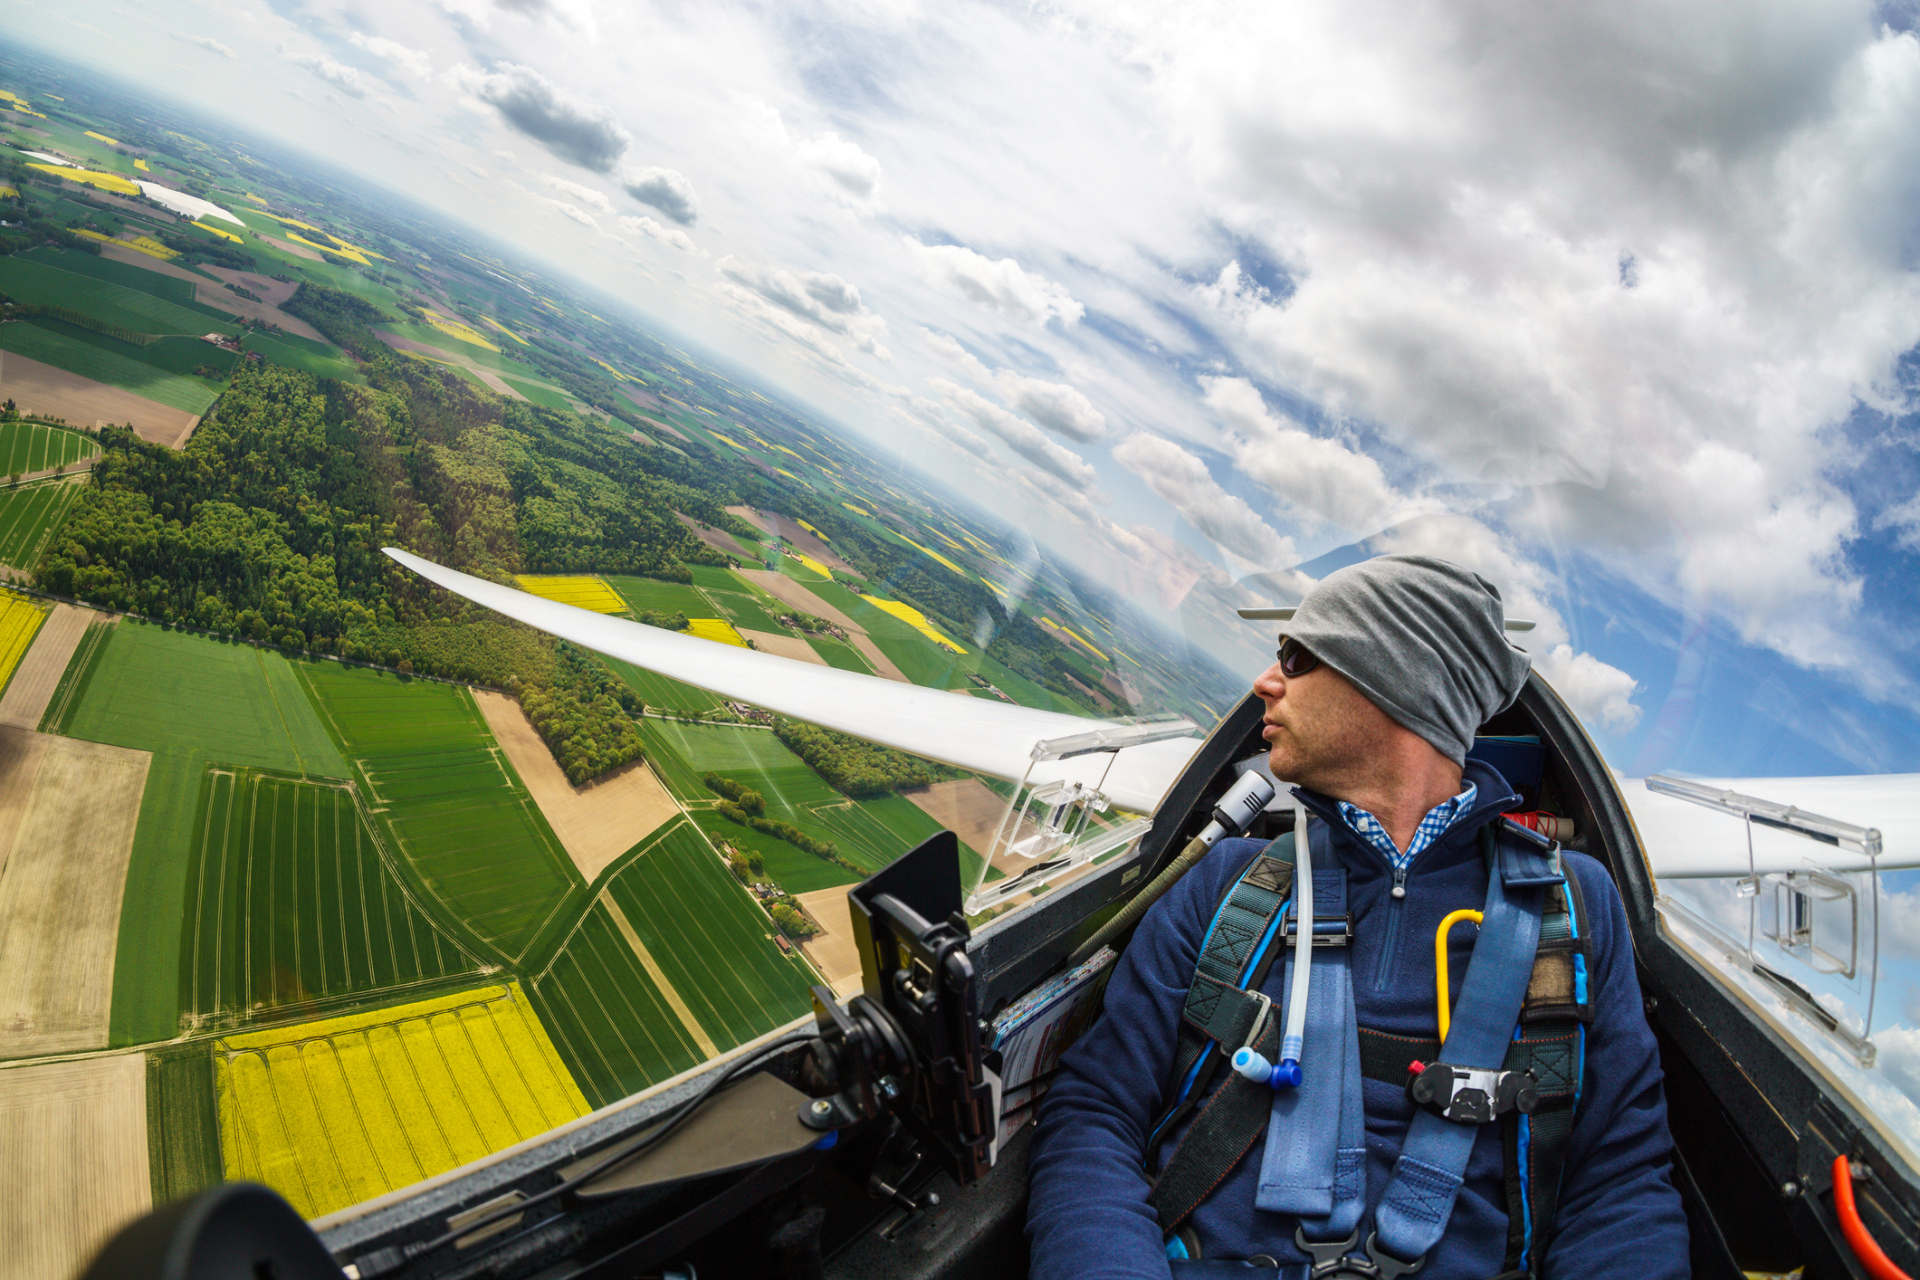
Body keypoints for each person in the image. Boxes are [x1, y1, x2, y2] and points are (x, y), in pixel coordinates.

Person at [1026, 555, 1687, 1278]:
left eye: (1297, 657)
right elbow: (1096, 1113)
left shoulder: (1576, 907)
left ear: (1392, 684)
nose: (1265, 683)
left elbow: (1619, 1189)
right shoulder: (1226, 882)